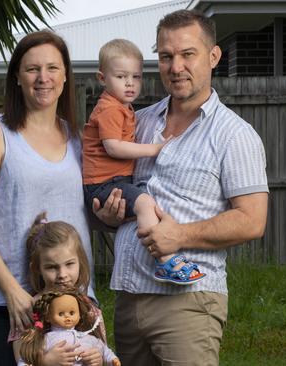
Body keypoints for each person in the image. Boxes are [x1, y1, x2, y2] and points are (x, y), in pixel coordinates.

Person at [102, 10, 269, 366]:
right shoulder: (139, 122)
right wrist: (107, 214)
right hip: (129, 296)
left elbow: (252, 221)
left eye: (187, 54)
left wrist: (179, 236)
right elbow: (115, 191)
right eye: (165, 56)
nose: (175, 66)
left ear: (213, 56)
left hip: (189, 302)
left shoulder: (234, 136)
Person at [0, 30, 103, 366]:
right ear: (16, 77)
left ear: (66, 76)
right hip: (10, 306)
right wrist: (12, 290)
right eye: (32, 69)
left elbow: (86, 213)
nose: (43, 78)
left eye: (53, 68)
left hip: (74, 303)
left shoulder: (78, 139)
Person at [82, 38, 204, 285]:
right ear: (102, 78)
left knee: (145, 206)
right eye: (121, 76)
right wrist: (154, 149)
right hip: (103, 183)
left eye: (135, 77)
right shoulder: (110, 109)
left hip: (112, 181)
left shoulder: (123, 107)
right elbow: (113, 146)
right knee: (145, 204)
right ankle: (166, 260)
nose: (130, 83)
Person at [10, 212, 108, 363]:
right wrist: (45, 362)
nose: (62, 274)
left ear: (80, 263)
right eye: (51, 267)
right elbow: (21, 360)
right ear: (37, 269)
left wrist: (99, 359)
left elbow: (103, 351)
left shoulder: (89, 309)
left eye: (69, 264)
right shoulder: (29, 310)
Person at [19, 288, 120, 366]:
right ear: (48, 317)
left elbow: (103, 349)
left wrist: (111, 360)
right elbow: (26, 359)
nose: (67, 316)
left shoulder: (87, 338)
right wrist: (45, 361)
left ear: (79, 315)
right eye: (61, 313)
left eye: (72, 313)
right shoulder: (46, 339)